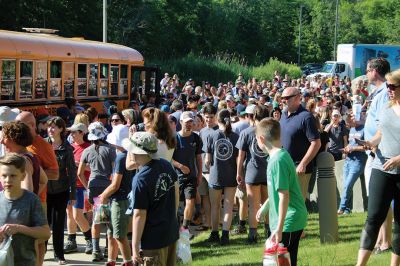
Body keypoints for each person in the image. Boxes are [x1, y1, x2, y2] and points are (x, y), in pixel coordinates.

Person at [356, 69, 400, 266]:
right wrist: (368, 142)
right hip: (381, 167)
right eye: (388, 86)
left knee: (399, 222)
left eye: (392, 86)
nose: (389, 90)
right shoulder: (386, 109)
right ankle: (360, 264)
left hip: (398, 168)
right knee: (373, 217)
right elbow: (380, 134)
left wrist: (399, 158)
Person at [255, 118, 307, 266]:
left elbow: (284, 195)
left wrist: (279, 227)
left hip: (288, 221)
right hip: (288, 220)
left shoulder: (277, 160)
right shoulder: (279, 156)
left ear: (261, 139)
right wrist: (265, 207)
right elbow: (276, 191)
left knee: (284, 262)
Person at [123, 132, 179, 266]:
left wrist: (135, 247)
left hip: (153, 241)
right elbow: (176, 191)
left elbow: (139, 214)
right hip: (170, 232)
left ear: (138, 152)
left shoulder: (141, 179)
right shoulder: (165, 164)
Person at [16, 111, 59, 266]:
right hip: (18, 198)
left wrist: (33, 172)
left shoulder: (42, 145)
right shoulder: (18, 143)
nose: (17, 127)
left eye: (20, 124)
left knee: (38, 243)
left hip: (38, 200)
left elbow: (54, 173)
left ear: (32, 125)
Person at [362, 57, 392, 253]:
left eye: (367, 69)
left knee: (380, 199)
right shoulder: (379, 92)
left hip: (378, 152)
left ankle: (385, 241)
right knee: (379, 199)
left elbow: (384, 123)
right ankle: (383, 240)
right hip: (373, 151)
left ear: (374, 71)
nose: (365, 73)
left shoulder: (383, 94)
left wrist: (373, 144)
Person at [0, 153, 51, 266]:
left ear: (23, 176)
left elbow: (45, 233)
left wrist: (19, 228)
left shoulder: (31, 200)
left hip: (25, 261)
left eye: (13, 176)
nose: (8, 180)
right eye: (4, 175)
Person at [79, 121, 116, 262]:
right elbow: (114, 170)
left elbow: (79, 173)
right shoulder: (110, 150)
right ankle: (108, 249)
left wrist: (87, 186)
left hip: (93, 187)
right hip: (107, 187)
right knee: (109, 221)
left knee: (97, 218)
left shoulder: (86, 151)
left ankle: (95, 250)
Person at [99, 124, 133, 266]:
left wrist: (103, 195)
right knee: (111, 233)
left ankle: (128, 262)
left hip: (119, 200)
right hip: (124, 198)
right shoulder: (130, 155)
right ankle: (111, 261)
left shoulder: (120, 158)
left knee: (119, 235)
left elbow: (115, 185)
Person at [236, 105, 270, 243]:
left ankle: (252, 235)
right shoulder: (271, 131)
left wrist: (239, 173)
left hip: (252, 173)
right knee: (268, 204)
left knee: (253, 205)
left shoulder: (246, 132)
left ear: (254, 116)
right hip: (268, 172)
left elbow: (241, 156)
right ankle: (269, 231)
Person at [280, 87, 321, 201]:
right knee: (285, 204)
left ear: (298, 98)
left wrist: (303, 164)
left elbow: (316, 143)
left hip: (299, 169)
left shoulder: (306, 117)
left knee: (297, 204)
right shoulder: (283, 115)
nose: (283, 100)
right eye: (282, 98)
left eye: (287, 98)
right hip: (285, 167)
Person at [46, 116, 77, 265]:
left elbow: (71, 172)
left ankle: (59, 255)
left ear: (61, 129)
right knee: (44, 223)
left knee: (58, 224)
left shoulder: (66, 147)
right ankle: (42, 251)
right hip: (44, 190)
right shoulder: (43, 144)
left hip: (61, 190)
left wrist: (73, 194)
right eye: (49, 126)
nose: (50, 129)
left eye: (54, 127)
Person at [205, 109, 239, 245]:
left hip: (215, 175)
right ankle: (225, 235)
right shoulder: (236, 137)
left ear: (217, 120)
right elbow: (238, 159)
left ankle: (214, 233)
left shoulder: (212, 135)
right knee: (228, 205)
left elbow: (207, 160)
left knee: (215, 206)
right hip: (231, 175)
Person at [64, 123, 93, 255]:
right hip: (69, 185)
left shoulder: (89, 148)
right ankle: (72, 241)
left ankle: (90, 240)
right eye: (71, 132)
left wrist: (77, 164)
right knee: (69, 213)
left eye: (74, 132)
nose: (71, 134)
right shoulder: (70, 148)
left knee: (77, 215)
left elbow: (93, 168)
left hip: (81, 186)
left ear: (82, 133)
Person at [172, 111, 202, 231]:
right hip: (175, 177)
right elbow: (168, 157)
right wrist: (180, 166)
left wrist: (199, 174)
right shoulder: (174, 138)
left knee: (190, 201)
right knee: (174, 204)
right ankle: (173, 227)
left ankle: (184, 227)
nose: (189, 124)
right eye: (186, 122)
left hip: (191, 177)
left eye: (191, 122)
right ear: (180, 122)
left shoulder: (196, 138)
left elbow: (198, 157)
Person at [1, 121, 48, 195]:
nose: (1, 142)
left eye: (4, 138)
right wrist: (34, 198)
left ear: (14, 138)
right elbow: (44, 180)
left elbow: (27, 192)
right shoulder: (30, 155)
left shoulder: (23, 161)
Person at [338, 111, 367, 215]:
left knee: (348, 185)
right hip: (348, 160)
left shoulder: (365, 128)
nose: (349, 124)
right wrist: (346, 149)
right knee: (347, 186)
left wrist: (353, 148)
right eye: (348, 123)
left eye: (350, 121)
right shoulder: (352, 129)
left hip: (358, 161)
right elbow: (351, 143)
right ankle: (347, 210)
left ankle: (341, 208)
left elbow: (368, 147)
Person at [198, 103, 219, 232]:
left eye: (211, 117)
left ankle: (218, 221)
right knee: (204, 196)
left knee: (214, 199)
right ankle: (208, 222)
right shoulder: (202, 131)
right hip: (202, 169)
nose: (208, 120)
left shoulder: (219, 131)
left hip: (214, 169)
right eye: (206, 117)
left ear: (215, 116)